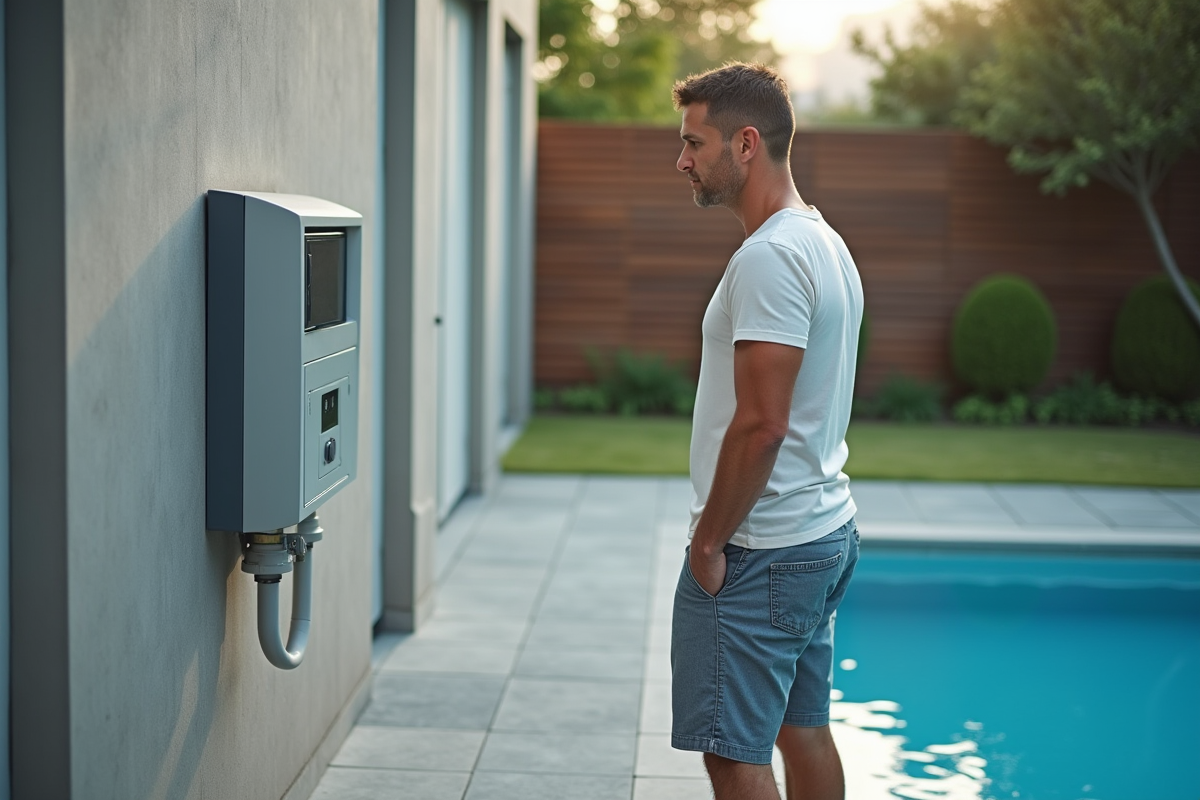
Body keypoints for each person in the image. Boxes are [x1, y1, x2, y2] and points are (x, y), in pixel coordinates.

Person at [669, 62, 864, 800]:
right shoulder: (821, 241)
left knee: (731, 750)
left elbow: (762, 424)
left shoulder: (773, 256)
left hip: (764, 547)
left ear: (745, 143)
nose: (681, 160)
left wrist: (709, 543)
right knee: (801, 728)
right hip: (817, 535)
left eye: (695, 142)